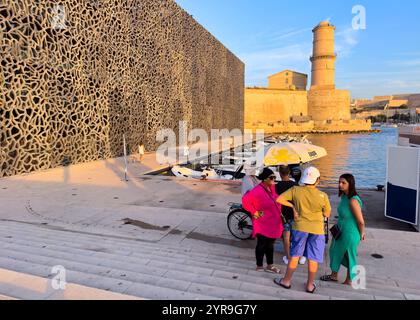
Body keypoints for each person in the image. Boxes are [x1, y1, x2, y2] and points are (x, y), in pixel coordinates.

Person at [274, 167, 331, 294]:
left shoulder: (295, 190)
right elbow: (327, 213)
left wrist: (293, 206)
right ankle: (310, 285)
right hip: (317, 230)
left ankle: (286, 281)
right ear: (318, 180)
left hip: (300, 228)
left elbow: (279, 199)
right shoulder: (323, 196)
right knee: (313, 258)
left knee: (295, 256)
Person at [321, 174, 366, 286]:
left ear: (350, 184)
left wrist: (362, 233)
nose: (340, 185)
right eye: (339, 182)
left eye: (343, 183)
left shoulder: (353, 201)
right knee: (334, 251)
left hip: (350, 233)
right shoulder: (344, 197)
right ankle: (334, 275)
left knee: (349, 256)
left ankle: (350, 280)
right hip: (340, 231)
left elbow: (361, 221)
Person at [242, 168, 284, 274]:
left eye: (275, 177)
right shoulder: (257, 190)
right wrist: (254, 211)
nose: (274, 179)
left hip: (273, 222)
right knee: (261, 244)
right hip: (262, 222)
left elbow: (278, 199)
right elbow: (245, 201)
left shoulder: (273, 188)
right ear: (265, 179)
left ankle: (270, 265)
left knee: (270, 244)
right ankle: (259, 266)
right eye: (271, 177)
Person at [275, 165, 298, 265]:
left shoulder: (277, 186)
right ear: (289, 173)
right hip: (294, 213)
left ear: (280, 174)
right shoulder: (295, 184)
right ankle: (296, 255)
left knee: (286, 236)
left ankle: (288, 257)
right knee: (296, 236)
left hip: (283, 215)